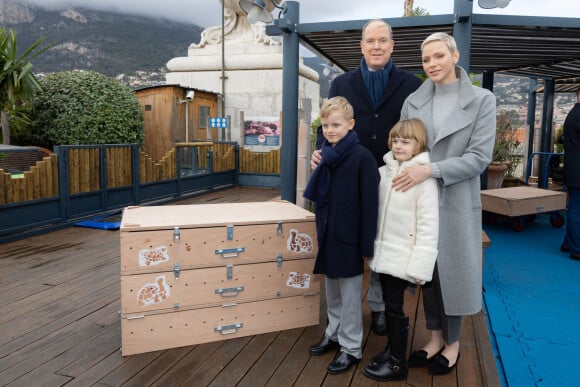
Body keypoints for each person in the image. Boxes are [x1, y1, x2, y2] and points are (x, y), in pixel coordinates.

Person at [311, 19, 422, 336]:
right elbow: (326, 126)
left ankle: (380, 307)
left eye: (382, 40)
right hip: (347, 177)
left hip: (392, 178)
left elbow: (416, 131)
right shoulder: (341, 83)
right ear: (361, 46)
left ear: (392, 45)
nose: (376, 46)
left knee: (383, 243)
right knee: (348, 239)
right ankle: (344, 317)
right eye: (370, 40)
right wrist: (320, 150)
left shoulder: (412, 85)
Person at [396, 32, 496, 375]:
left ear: (454, 56)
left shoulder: (483, 101)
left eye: (439, 56)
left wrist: (431, 170)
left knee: (453, 274)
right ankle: (434, 337)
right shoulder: (413, 102)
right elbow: (406, 147)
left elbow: (479, 159)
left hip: (455, 200)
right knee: (429, 274)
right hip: (421, 201)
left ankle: (453, 345)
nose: (432, 64)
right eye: (426, 60)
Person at [304, 96, 379, 374]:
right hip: (328, 231)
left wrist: (366, 244)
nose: (330, 130)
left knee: (349, 297)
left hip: (349, 237)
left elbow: (371, 205)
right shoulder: (325, 154)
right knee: (331, 291)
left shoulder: (362, 158)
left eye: (336, 124)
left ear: (351, 124)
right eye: (325, 125)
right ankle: (333, 334)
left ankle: (351, 347)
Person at [362, 118, 439, 381]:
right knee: (389, 304)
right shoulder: (384, 173)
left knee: (394, 308)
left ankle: (397, 364)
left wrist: (420, 266)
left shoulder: (423, 181)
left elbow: (428, 226)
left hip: (403, 256)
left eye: (406, 141)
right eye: (395, 140)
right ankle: (391, 350)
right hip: (384, 254)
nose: (398, 145)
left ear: (419, 145)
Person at [560, 88, 580, 261]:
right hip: (578, 172)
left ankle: (568, 242)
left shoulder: (573, 114)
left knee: (575, 208)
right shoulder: (578, 115)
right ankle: (576, 249)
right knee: (576, 210)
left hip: (574, 170)